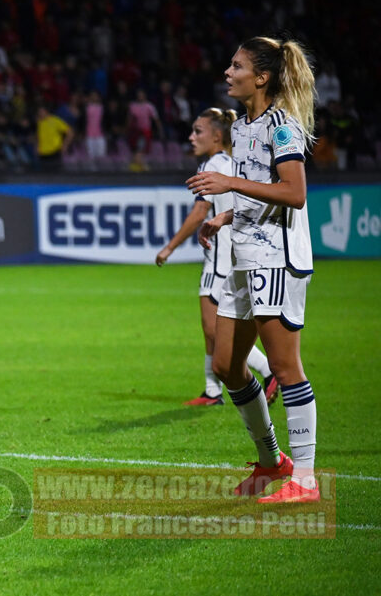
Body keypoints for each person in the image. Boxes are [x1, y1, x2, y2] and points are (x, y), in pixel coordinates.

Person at [187, 36, 319, 503]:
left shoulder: (281, 127)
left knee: (285, 367)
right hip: (244, 258)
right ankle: (271, 461)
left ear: (261, 77)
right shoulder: (243, 126)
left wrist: (228, 183)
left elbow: (294, 193)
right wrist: (225, 215)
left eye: (237, 65)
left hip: (277, 259)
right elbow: (257, 191)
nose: (227, 71)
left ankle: (304, 478)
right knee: (226, 365)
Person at [156, 108, 278, 406]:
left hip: (219, 258)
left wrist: (169, 247)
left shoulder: (212, 165)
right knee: (211, 329)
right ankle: (212, 391)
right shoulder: (232, 163)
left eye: (198, 131)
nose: (191, 136)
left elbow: (200, 212)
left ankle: (268, 370)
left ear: (217, 135)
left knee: (214, 328)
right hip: (231, 254)